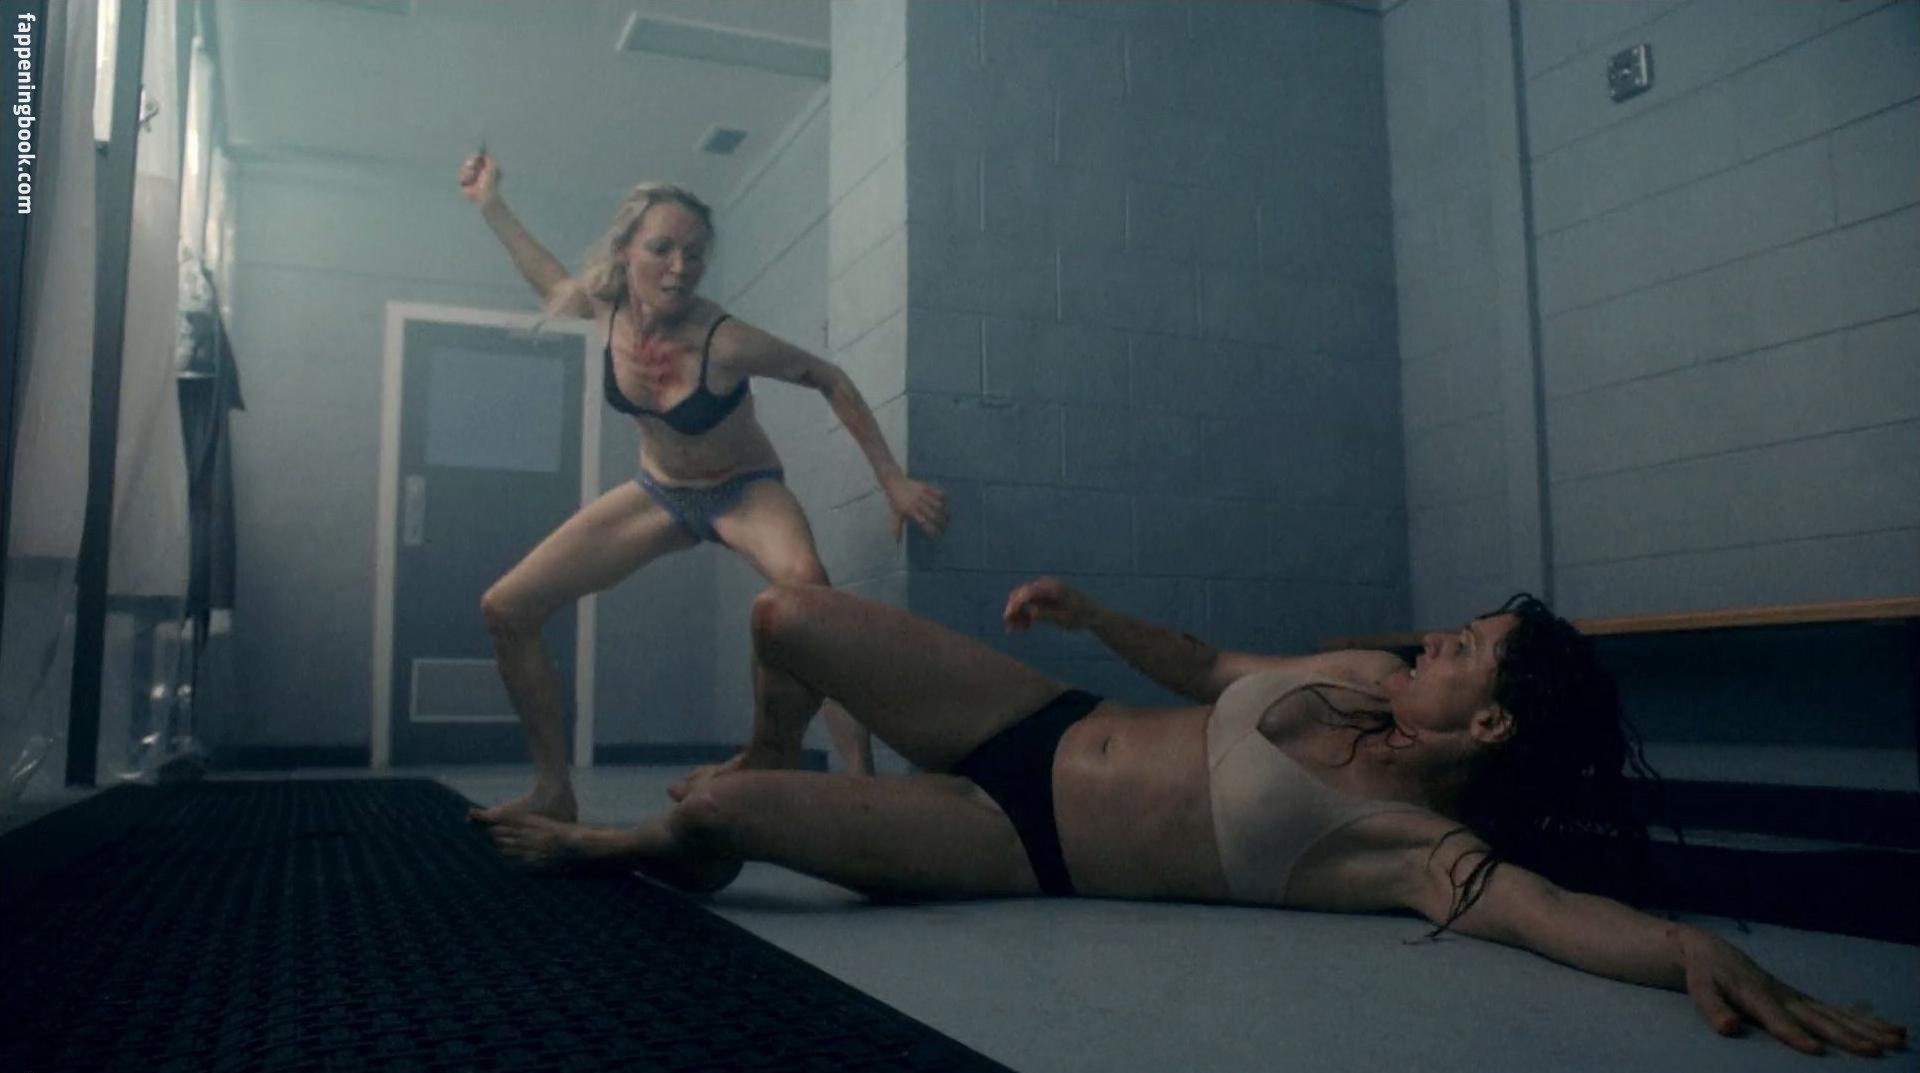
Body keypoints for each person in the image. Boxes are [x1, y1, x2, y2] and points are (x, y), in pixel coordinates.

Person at [478, 578, 1908, 1058]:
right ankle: (763, 751)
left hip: (1017, 844)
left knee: (718, 815)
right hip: (1030, 716)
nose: (1435, 642)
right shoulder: (1357, 675)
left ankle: (657, 836)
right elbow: (1210, 665)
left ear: (1488, 726)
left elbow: (1549, 915)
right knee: (783, 614)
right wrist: (1090, 613)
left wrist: (1684, 947)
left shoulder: (1418, 853)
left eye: (1463, 651)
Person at [456, 152, 947, 824]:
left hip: (743, 490)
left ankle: (860, 789)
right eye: (662, 248)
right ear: (626, 251)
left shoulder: (723, 339)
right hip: (660, 493)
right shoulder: (602, 312)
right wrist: (491, 204)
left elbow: (827, 376)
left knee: (812, 601)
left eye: (694, 254)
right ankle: (552, 789)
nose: (680, 267)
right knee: (506, 607)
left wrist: (893, 481)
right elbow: (547, 277)